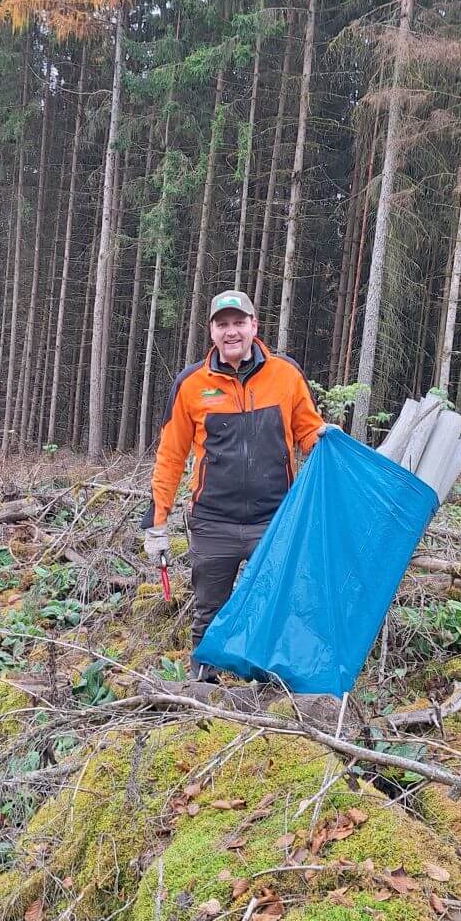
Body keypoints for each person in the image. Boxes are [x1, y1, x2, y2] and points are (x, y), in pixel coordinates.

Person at [143, 289, 326, 676]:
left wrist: (330, 440)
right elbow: (171, 455)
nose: (231, 332)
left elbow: (309, 433)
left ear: (254, 326)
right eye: (222, 324)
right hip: (213, 522)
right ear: (211, 331)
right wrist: (157, 522)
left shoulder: (286, 374)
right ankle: (202, 691)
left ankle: (273, 691)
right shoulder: (191, 384)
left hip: (275, 520)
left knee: (277, 608)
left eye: (238, 323)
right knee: (209, 612)